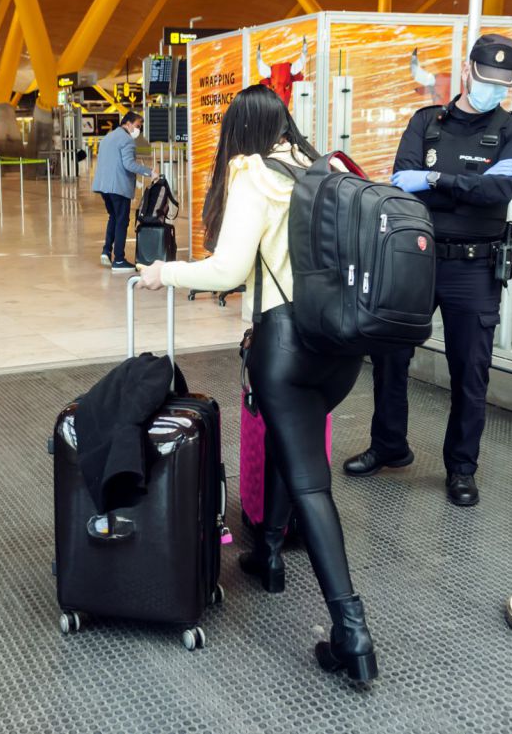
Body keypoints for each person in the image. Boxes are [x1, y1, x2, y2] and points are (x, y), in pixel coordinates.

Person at [138, 85, 375, 684]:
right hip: (342, 348)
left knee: (310, 482)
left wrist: (163, 272)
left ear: (239, 132)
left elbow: (228, 269)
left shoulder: (254, 175)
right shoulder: (323, 168)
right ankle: (267, 551)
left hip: (287, 344)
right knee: (289, 442)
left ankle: (352, 632)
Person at [341, 34, 512, 507]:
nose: (493, 89)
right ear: (467, 71)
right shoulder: (426, 122)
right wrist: (469, 184)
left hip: (475, 267)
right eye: (486, 79)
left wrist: (434, 179)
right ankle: (389, 445)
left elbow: (498, 191)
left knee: (470, 371)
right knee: (389, 356)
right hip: (417, 258)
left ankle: (462, 469)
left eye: (502, 83)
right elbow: (401, 183)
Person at [92, 110, 157, 274]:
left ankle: (106, 251)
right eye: (137, 125)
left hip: (104, 186)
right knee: (122, 221)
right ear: (128, 124)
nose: (138, 129)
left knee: (113, 217)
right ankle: (119, 260)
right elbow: (129, 164)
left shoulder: (108, 138)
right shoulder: (127, 140)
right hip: (118, 187)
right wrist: (149, 172)